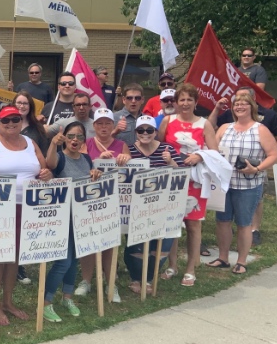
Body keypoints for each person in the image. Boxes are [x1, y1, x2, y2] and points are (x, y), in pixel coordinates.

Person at [0, 105, 53, 326]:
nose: (10, 124)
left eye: (15, 120)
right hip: (0, 207)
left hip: (28, 207)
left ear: (21, 121)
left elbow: (43, 169)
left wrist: (46, 174)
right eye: (5, 121)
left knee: (15, 256)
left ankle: (8, 301)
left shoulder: (30, 142)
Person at [209, 92, 277, 274]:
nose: (239, 107)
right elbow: (212, 150)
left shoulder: (260, 129)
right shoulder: (224, 128)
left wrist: (257, 169)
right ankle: (223, 258)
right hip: (224, 184)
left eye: (244, 104)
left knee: (243, 223)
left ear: (252, 107)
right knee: (222, 221)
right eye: (236, 104)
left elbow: (274, 155)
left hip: (248, 185)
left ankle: (241, 261)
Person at [158, 83, 219, 287]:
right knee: (172, 224)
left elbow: (214, 153)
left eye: (189, 100)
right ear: (176, 102)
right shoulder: (167, 121)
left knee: (193, 224)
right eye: (181, 100)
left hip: (194, 181)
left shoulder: (204, 124)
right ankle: (172, 265)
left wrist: (199, 155)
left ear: (195, 102)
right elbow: (158, 146)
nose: (185, 103)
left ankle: (191, 269)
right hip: (171, 180)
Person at [42, 121, 99, 321]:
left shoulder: (86, 158)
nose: (75, 140)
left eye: (80, 137)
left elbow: (91, 183)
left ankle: (67, 297)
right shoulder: (59, 157)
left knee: (74, 260)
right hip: (62, 219)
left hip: (81, 218)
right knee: (63, 262)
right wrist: (53, 144)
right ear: (64, 137)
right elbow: (49, 165)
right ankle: (46, 302)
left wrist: (95, 175)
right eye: (71, 136)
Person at [74, 108, 130, 303]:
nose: (104, 127)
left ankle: (110, 283)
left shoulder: (121, 144)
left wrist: (124, 160)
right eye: (100, 123)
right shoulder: (86, 144)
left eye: (108, 123)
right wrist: (96, 164)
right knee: (89, 243)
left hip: (113, 202)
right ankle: (86, 280)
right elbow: (80, 167)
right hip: (90, 201)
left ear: (113, 126)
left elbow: (131, 171)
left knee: (110, 244)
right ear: (94, 126)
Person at [125, 116, 185, 293]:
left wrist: (171, 162)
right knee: (136, 247)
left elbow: (182, 175)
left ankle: (149, 278)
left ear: (155, 132)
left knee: (161, 247)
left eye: (149, 130)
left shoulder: (168, 149)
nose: (145, 133)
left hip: (164, 207)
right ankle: (137, 278)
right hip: (137, 208)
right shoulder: (129, 151)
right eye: (141, 130)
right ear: (136, 133)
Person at [14, 90, 50, 284]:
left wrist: (44, 171)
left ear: (30, 106)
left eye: (25, 103)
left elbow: (43, 155)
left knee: (25, 228)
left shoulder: (38, 129)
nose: (21, 106)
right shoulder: (5, 124)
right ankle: (8, 264)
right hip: (9, 186)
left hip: (31, 184)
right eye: (18, 103)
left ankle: (21, 266)